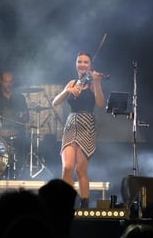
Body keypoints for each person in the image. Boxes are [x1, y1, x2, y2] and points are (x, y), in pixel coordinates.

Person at [51, 51, 106, 209]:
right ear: (76, 64)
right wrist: (67, 91)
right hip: (71, 124)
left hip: (86, 124)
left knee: (81, 169)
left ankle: (84, 205)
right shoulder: (72, 82)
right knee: (67, 167)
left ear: (90, 65)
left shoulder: (92, 83)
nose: (82, 64)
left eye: (85, 62)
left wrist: (97, 82)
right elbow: (55, 102)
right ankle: (65, 203)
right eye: (79, 61)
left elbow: (100, 104)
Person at [0, 70, 30, 178]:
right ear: (1, 82)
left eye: (10, 81)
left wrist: (24, 117)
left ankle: (20, 175)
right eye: (6, 81)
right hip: (0, 137)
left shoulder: (20, 98)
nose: (8, 84)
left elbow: (26, 117)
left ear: (13, 82)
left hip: (17, 136)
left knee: (24, 145)